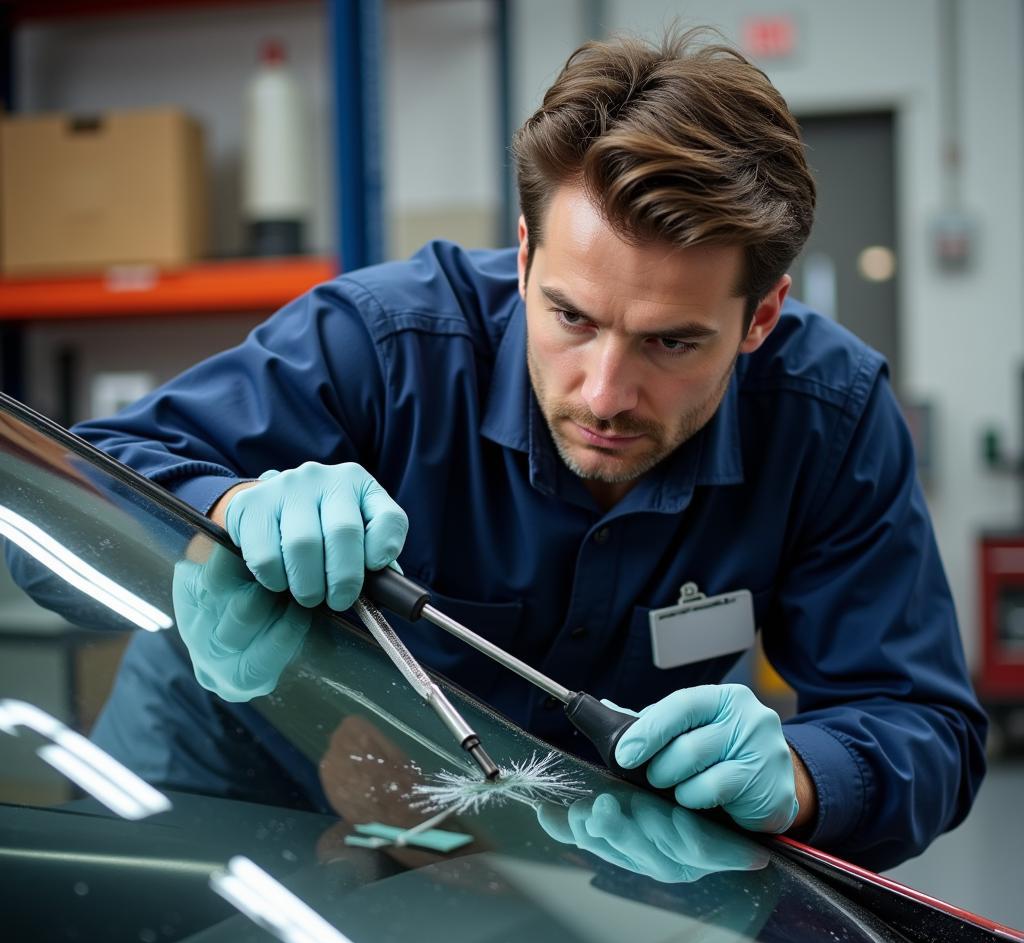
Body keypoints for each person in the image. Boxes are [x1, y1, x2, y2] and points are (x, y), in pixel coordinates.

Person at [51, 30, 985, 868]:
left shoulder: (829, 415)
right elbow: (73, 490)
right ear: (528, 257)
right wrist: (221, 513)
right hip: (222, 798)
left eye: (672, 342)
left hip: (533, 873)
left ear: (761, 318)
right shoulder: (380, 346)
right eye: (571, 317)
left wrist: (800, 775)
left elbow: (927, 729)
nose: (605, 394)